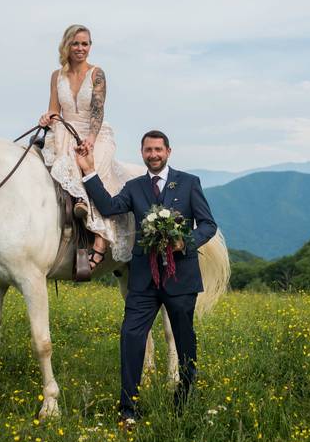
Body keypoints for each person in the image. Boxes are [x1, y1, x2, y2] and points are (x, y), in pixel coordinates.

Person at [76, 130, 217, 423]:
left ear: (168, 151)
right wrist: (89, 171)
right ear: (142, 153)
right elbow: (110, 207)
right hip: (143, 279)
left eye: (157, 149)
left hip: (181, 278)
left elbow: (208, 225)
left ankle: (184, 399)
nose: (153, 154)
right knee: (130, 336)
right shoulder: (134, 186)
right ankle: (129, 409)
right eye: (147, 150)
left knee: (184, 340)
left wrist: (185, 242)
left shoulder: (189, 183)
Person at [39, 24, 134, 272]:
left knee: (96, 173)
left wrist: (91, 138)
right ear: (67, 45)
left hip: (95, 133)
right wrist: (47, 117)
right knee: (63, 163)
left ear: (90, 46)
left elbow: (97, 111)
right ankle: (76, 205)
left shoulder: (97, 74)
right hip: (65, 130)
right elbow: (54, 110)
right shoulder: (56, 76)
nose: (81, 48)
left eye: (85, 43)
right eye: (76, 43)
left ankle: (101, 240)